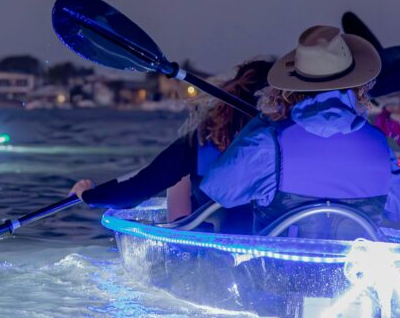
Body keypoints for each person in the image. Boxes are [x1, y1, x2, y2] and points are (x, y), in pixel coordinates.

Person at [201, 26, 400, 237]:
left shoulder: (269, 142)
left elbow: (218, 189)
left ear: (292, 88)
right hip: (351, 276)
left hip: (277, 275)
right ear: (357, 86)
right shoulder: (379, 145)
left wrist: (261, 122)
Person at [70, 60, 272, 230]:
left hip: (215, 249)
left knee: (179, 177)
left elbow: (135, 190)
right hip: (281, 243)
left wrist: (88, 194)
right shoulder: (287, 137)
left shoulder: (202, 142)